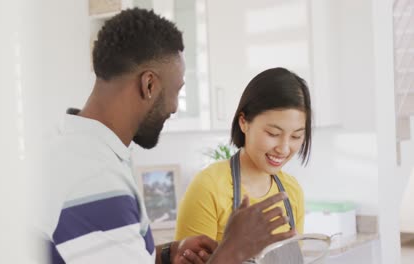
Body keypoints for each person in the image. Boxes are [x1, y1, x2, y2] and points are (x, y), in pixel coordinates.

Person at [42, 8, 295, 264]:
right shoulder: (95, 178)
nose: (174, 107)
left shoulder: (79, 150)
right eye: (177, 91)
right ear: (149, 85)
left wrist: (165, 254)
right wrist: (233, 251)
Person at [175, 68, 312, 243]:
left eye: (296, 136)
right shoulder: (208, 188)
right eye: (273, 133)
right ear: (244, 123)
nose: (284, 149)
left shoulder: (292, 191)